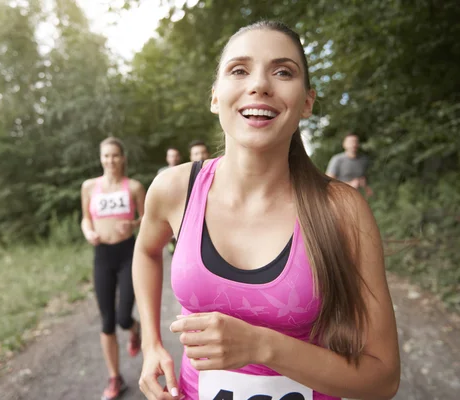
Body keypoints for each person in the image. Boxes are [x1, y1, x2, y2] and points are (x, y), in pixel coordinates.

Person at [132, 20, 400, 400]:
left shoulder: (343, 210)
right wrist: (150, 343)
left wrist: (262, 347)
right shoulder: (175, 189)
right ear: (214, 97)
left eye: (283, 71)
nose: (259, 84)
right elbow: (145, 250)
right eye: (239, 70)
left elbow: (383, 379)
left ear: (307, 101)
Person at [80, 136, 147, 400]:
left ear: (123, 158)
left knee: (122, 316)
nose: (110, 161)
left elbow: (146, 219)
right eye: (106, 156)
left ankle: (133, 328)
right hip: (102, 255)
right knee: (107, 321)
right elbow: (86, 219)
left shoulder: (134, 187)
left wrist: (132, 224)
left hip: (128, 254)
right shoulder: (89, 187)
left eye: (115, 156)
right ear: (101, 158)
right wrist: (88, 233)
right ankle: (114, 378)